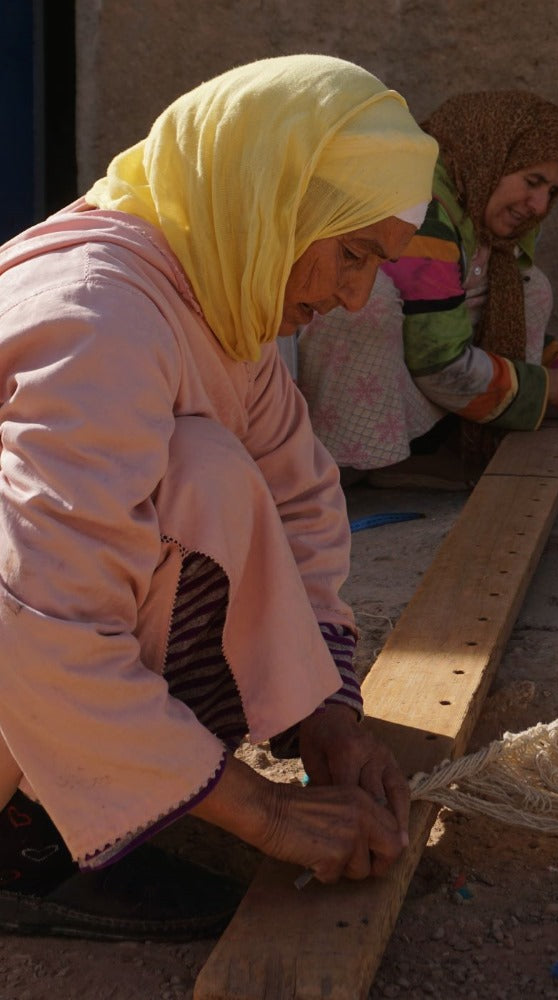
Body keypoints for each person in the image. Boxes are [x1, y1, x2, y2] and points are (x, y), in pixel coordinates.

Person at [0, 54, 438, 942]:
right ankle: (27, 836)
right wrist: (265, 817)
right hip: (22, 658)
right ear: (278, 200)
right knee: (200, 476)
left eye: (374, 266)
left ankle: (85, 799)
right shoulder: (100, 320)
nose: (356, 297)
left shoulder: (205, 295)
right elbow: (37, 622)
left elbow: (302, 498)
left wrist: (327, 719)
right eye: (351, 253)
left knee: (214, 474)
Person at [296, 89, 558, 488]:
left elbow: (476, 317)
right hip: (336, 405)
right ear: (488, 157)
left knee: (531, 286)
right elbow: (437, 361)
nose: (539, 205)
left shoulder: (478, 224)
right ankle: (350, 468)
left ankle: (425, 453)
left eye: (551, 191)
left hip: (423, 366)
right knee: (370, 304)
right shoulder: (423, 208)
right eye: (533, 181)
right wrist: (550, 391)